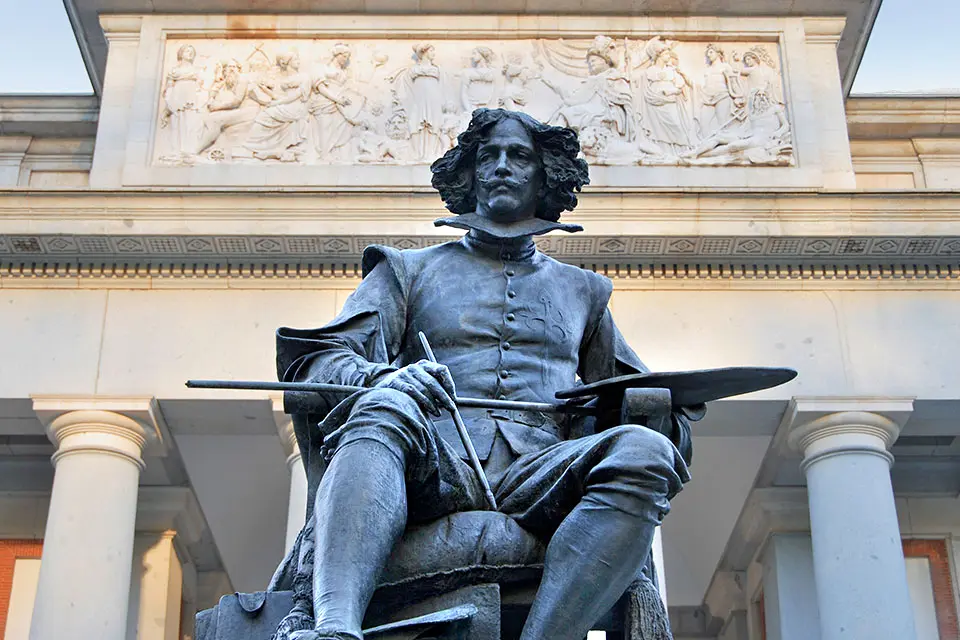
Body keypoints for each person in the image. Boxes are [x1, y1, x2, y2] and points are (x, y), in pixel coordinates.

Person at [273, 109, 693, 640]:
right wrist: (381, 379)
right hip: (431, 461)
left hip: (541, 472)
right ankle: (335, 629)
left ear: (546, 178)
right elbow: (316, 360)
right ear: (467, 174)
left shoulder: (585, 292)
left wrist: (660, 411)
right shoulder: (406, 270)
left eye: (519, 157)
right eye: (487, 156)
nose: (500, 167)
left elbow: (631, 395)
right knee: (385, 406)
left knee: (644, 451)